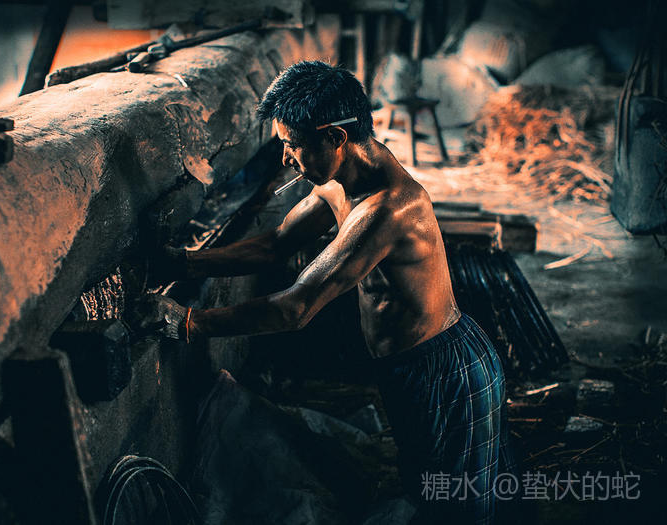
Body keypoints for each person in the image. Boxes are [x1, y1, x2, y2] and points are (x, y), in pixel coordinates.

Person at [136, 60, 512, 524]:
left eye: (293, 145)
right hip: (405, 367)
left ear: (335, 137)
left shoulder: (388, 209)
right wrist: (187, 262)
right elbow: (276, 244)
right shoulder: (342, 178)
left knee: (456, 505)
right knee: (424, 484)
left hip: (444, 368)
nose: (286, 158)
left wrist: (189, 322)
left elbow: (296, 308)